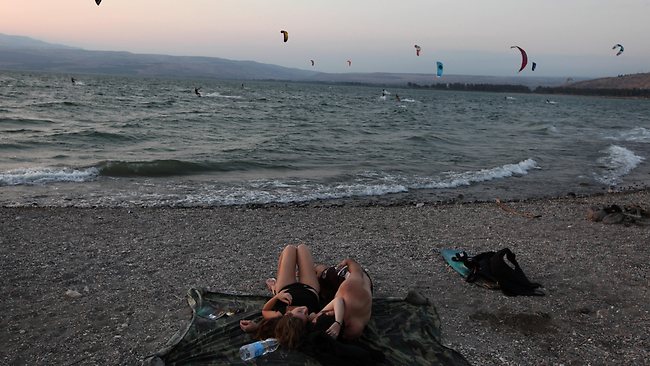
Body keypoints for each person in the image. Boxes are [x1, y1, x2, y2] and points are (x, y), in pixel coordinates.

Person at [240, 244, 322, 349]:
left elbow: (265, 311)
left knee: (289, 249)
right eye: (306, 314)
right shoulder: (312, 317)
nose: (305, 309)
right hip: (309, 288)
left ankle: (275, 288)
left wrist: (277, 297)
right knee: (302, 248)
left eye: (300, 311)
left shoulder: (280, 314)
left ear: (288, 314)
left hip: (286, 287)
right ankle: (277, 285)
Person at [311, 258, 372, 340]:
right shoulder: (348, 290)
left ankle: (317, 270)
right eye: (327, 313)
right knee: (322, 274)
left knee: (323, 278)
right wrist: (348, 261)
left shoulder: (350, 331)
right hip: (357, 283)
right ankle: (318, 269)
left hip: (357, 287)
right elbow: (356, 270)